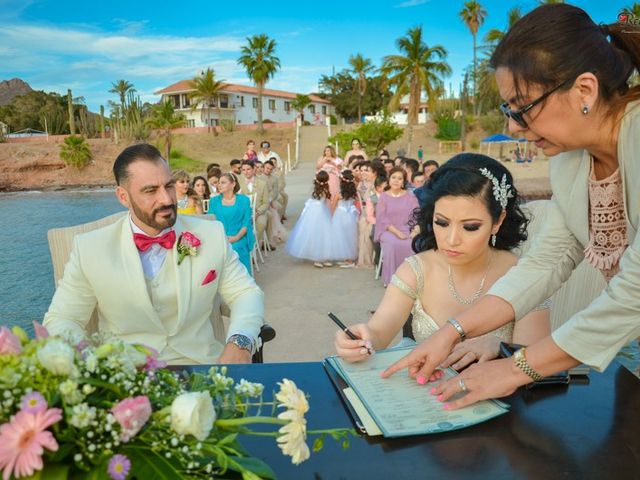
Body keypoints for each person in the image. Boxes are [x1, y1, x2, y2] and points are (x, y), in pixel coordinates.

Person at [382, 3, 640, 409]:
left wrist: (514, 369)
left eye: (523, 107)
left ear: (585, 91)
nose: (514, 127)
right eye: (509, 110)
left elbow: (634, 294)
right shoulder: (571, 160)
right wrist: (451, 332)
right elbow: (547, 261)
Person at [43, 143, 264, 365]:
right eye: (150, 190)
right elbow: (64, 318)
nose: (167, 199)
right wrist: (87, 363)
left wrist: (240, 343)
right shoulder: (89, 248)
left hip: (204, 369)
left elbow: (246, 293)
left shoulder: (212, 234)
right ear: (123, 197)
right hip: (125, 379)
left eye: (168, 186)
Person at [335, 154, 550, 364]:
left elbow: (537, 358)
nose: (451, 239)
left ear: (498, 220)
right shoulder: (417, 270)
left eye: (470, 227)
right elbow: (380, 330)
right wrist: (363, 338)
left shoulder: (522, 275)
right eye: (442, 223)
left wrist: (501, 349)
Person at [374, 167, 419, 286]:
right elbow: (382, 219)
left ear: (404, 181)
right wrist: (398, 233)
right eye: (393, 177)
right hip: (388, 230)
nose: (396, 181)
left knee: (411, 243)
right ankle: (392, 280)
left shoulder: (410, 196)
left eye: (400, 178)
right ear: (389, 179)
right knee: (393, 243)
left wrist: (415, 230)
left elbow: (416, 214)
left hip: (407, 228)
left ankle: (409, 280)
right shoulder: (383, 197)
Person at [208, 173, 255, 275]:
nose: (219, 185)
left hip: (239, 236)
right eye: (218, 183)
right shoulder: (214, 201)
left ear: (233, 184)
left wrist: (236, 238)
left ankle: (243, 280)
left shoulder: (244, 200)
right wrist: (221, 238)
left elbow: (246, 224)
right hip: (219, 237)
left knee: (236, 247)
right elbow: (211, 222)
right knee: (218, 250)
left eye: (223, 182)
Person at [285, 170, 334, 268]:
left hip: (313, 211)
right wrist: (331, 214)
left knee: (318, 234)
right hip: (319, 212)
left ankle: (322, 257)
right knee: (319, 234)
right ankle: (318, 258)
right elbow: (328, 203)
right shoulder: (324, 190)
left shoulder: (316, 188)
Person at [237, 160, 270, 250]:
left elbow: (266, 203)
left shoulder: (262, 183)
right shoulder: (238, 183)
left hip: (259, 212)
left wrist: (257, 213)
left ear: (253, 169)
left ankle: (253, 247)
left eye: (248, 169)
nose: (246, 172)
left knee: (261, 223)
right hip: (243, 213)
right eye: (243, 170)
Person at [331, 170, 360, 268]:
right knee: (350, 237)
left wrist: (331, 217)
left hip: (340, 216)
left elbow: (333, 206)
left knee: (342, 237)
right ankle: (348, 258)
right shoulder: (354, 193)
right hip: (351, 216)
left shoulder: (339, 194)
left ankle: (350, 260)